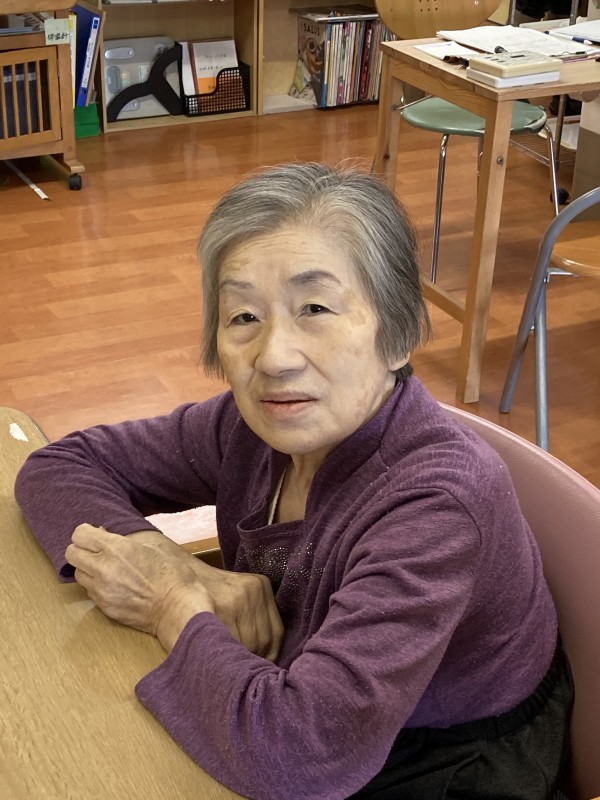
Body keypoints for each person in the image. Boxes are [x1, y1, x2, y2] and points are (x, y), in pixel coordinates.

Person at [15, 163, 573, 800]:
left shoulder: (436, 506)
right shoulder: (251, 428)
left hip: (444, 756)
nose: (275, 358)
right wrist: (183, 570)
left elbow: (302, 756)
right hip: (307, 706)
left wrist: (171, 602)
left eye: (315, 308)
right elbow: (58, 467)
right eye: (243, 316)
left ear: (399, 335)